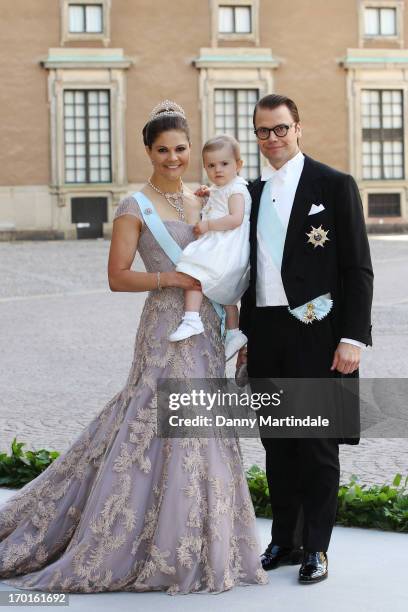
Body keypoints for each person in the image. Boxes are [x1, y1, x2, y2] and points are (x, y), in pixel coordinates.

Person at [0, 101, 268, 595]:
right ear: (148, 150)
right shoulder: (134, 206)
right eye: (163, 149)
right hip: (166, 326)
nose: (173, 157)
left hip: (206, 327)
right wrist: (171, 277)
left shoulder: (203, 200)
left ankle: (205, 541)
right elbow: (117, 277)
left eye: (181, 149)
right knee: (152, 417)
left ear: (192, 150)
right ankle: (142, 541)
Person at [236, 94, 373, 584]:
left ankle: (317, 547)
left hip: (319, 332)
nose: (271, 139)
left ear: (298, 128)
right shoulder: (249, 193)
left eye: (280, 129)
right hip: (267, 332)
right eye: (262, 131)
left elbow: (357, 267)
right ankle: (285, 541)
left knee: (316, 443)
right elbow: (243, 270)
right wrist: (243, 333)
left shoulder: (334, 185)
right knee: (278, 442)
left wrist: (354, 337)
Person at [169, 134, 250, 361]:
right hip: (224, 244)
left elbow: (235, 218)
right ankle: (234, 333)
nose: (218, 170)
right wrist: (209, 193)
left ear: (239, 165)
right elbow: (218, 198)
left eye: (224, 164)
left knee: (193, 268)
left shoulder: (237, 190)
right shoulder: (222, 188)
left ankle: (192, 318)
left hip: (227, 244)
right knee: (227, 295)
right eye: (211, 165)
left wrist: (207, 225)